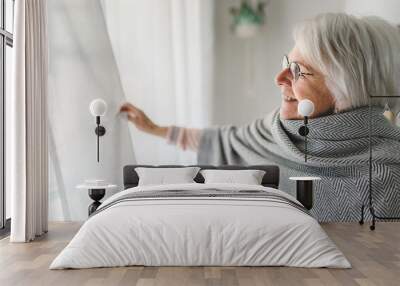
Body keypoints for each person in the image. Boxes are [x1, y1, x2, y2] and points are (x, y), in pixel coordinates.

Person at [120, 13, 400, 222]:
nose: (278, 78)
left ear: (346, 90)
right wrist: (154, 129)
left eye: (297, 71)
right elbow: (227, 141)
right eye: (284, 64)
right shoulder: (272, 128)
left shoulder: (387, 177)